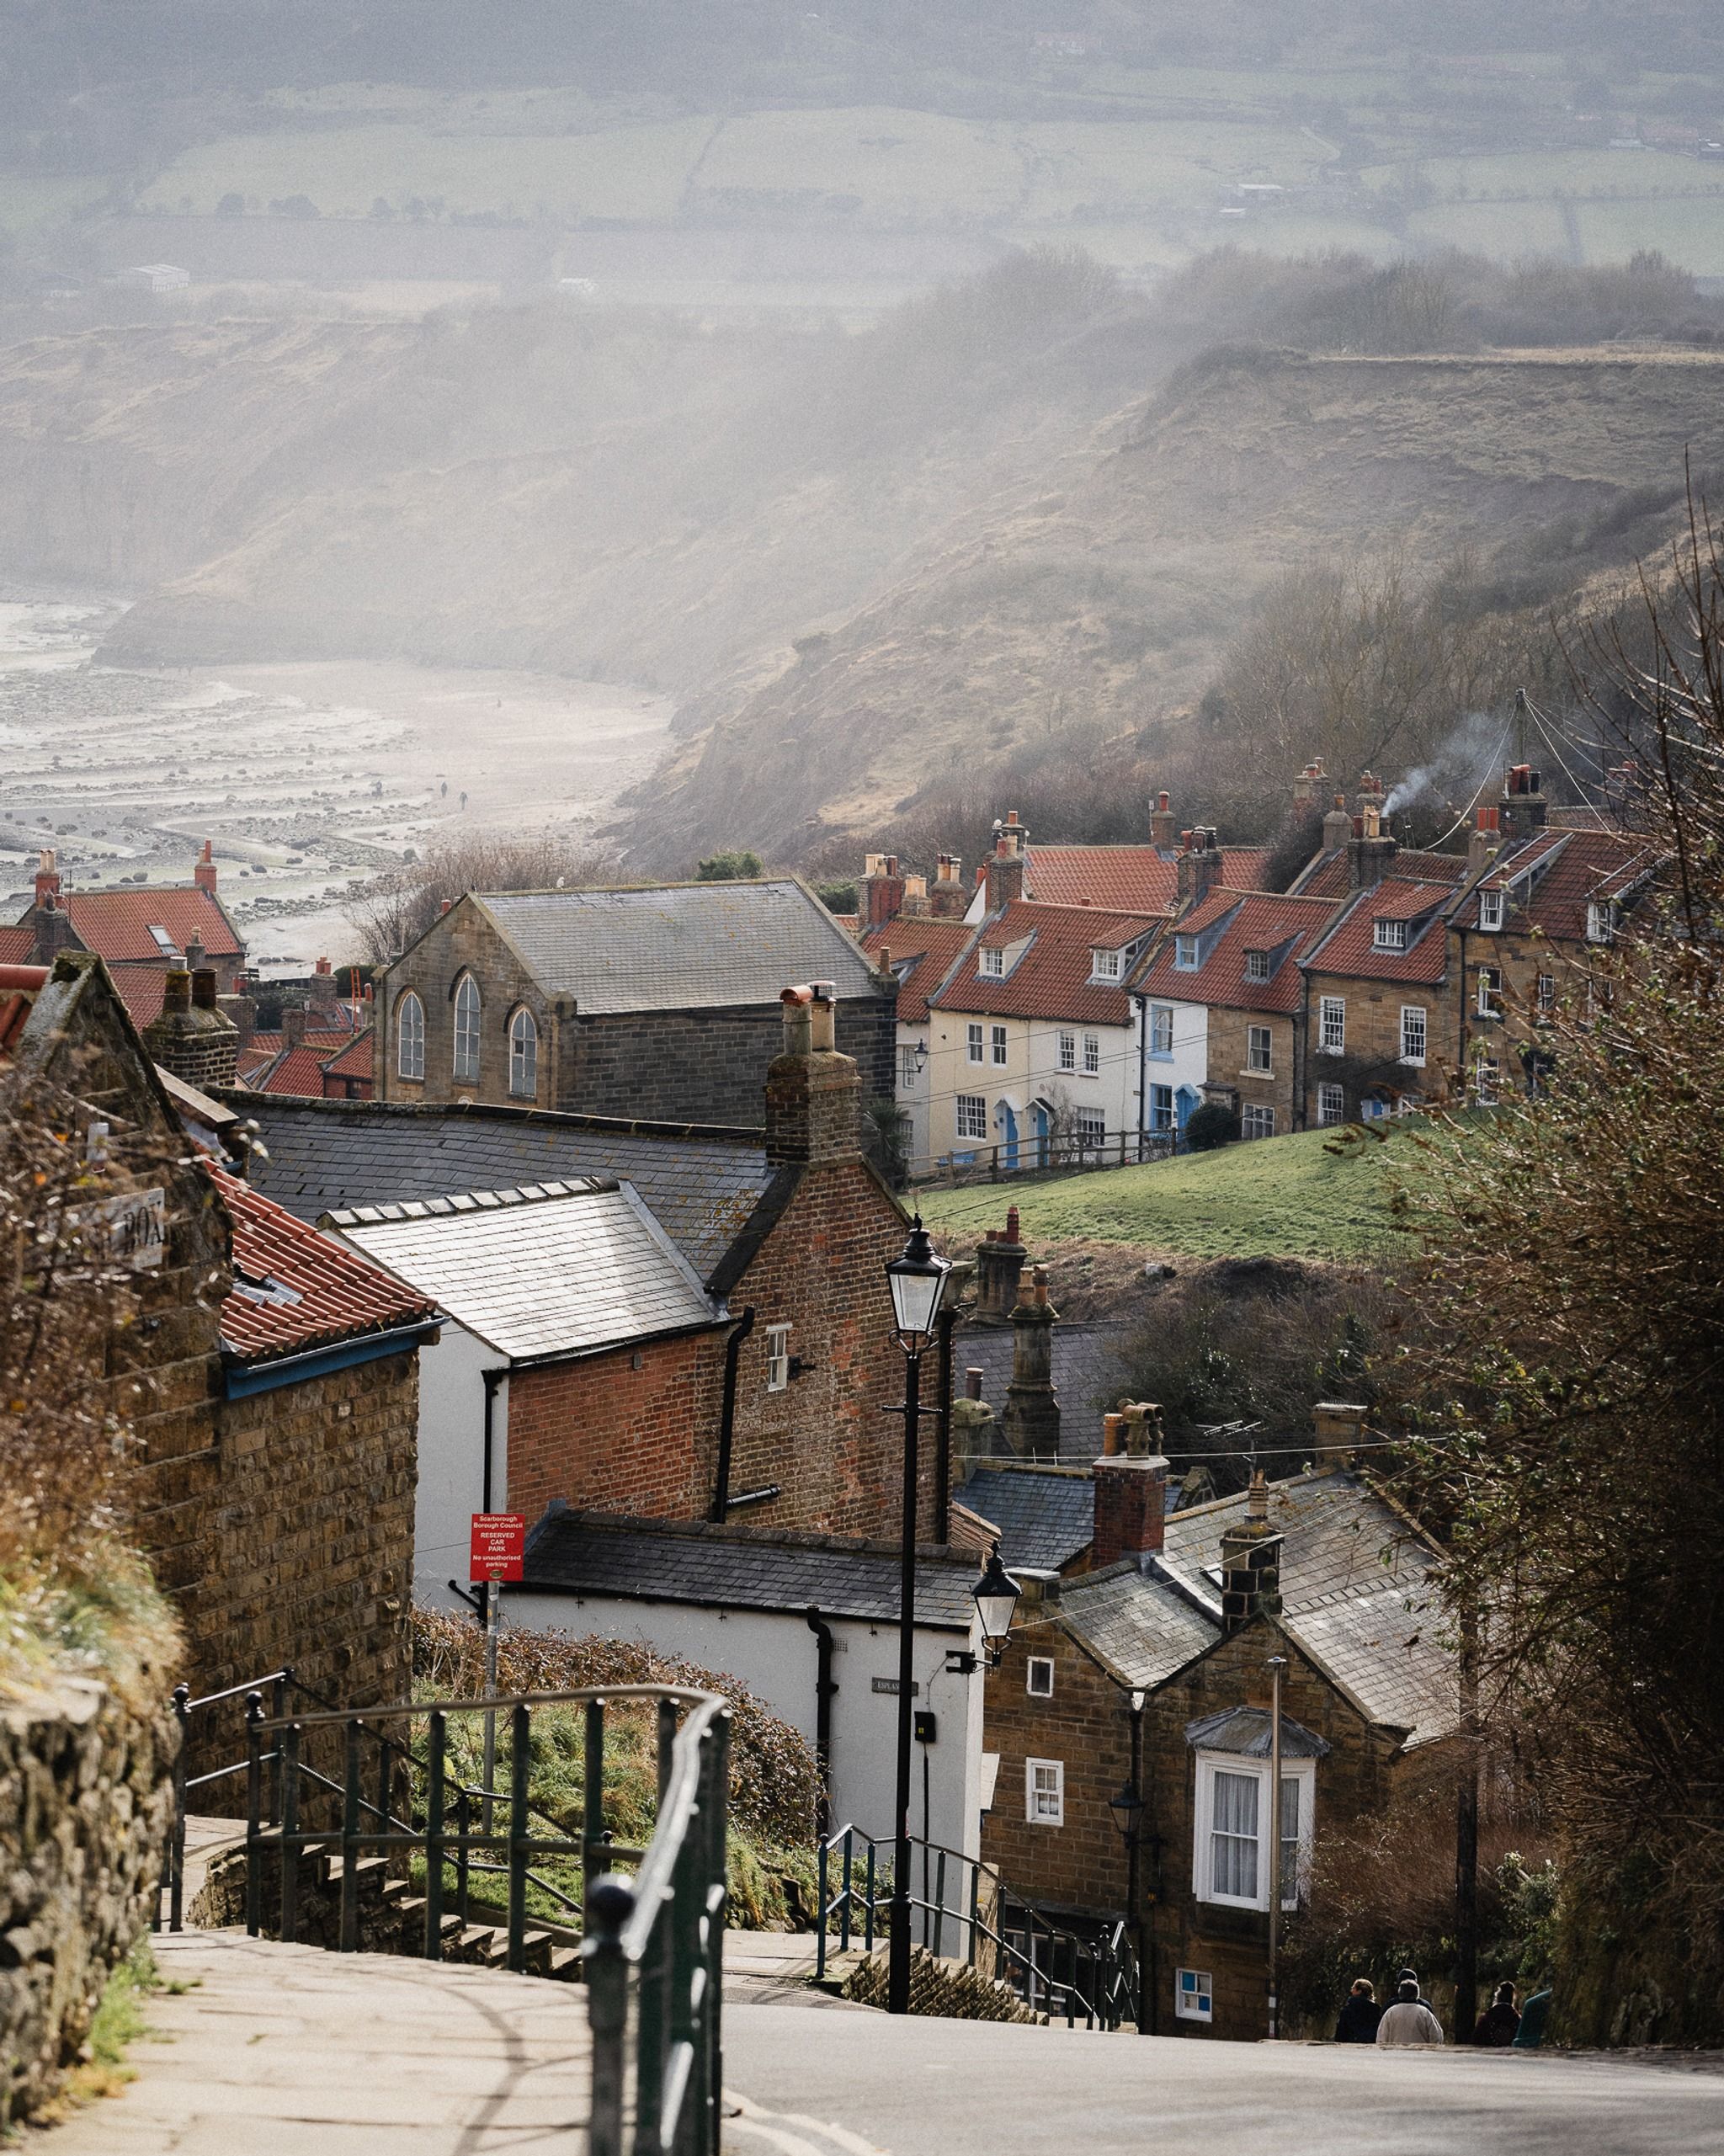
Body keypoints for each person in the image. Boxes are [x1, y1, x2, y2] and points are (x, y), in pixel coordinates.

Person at [1376, 1978, 1445, 2046]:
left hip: (1395, 2054)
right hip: (1420, 2054)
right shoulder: (1424, 2013)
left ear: (1400, 1993)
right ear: (1417, 1994)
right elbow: (1437, 2037)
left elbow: (1381, 2038)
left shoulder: (1390, 2013)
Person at [1471, 1982, 1520, 2046]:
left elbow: (1475, 2041)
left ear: (1497, 1998)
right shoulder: (1518, 2020)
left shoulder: (1485, 2019)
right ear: (1512, 1999)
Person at [1334, 1978, 1381, 2043]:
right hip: (1369, 2044)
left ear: (1359, 1991)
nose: (1351, 1990)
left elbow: (1341, 2031)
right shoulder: (1376, 2009)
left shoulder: (1348, 2009)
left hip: (1350, 2044)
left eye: (1353, 1988)